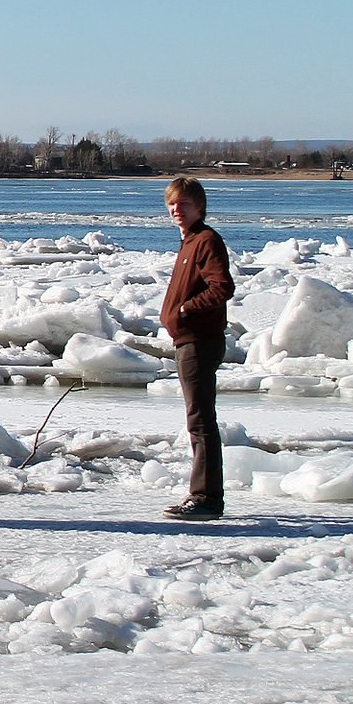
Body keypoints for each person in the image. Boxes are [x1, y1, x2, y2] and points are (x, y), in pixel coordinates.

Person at [160, 175, 234, 520]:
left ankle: (206, 498)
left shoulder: (205, 241)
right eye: (172, 203)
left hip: (199, 341)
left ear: (199, 206)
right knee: (198, 419)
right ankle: (203, 495)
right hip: (188, 340)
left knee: (201, 420)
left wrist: (187, 309)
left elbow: (222, 287)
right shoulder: (189, 241)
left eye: (184, 204)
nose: (177, 209)